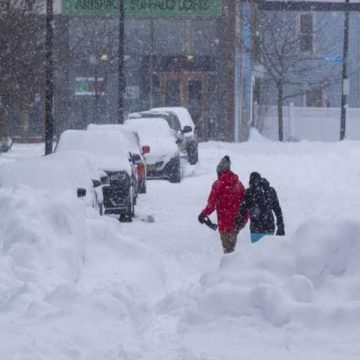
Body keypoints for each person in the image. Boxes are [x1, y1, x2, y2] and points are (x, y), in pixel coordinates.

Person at [198, 155, 246, 254]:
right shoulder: (239, 184)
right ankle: (234, 265)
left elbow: (211, 205)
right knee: (231, 247)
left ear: (219, 171)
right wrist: (242, 220)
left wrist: (203, 214)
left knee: (228, 251)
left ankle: (230, 268)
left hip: (225, 224)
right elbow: (246, 203)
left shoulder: (218, 185)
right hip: (237, 222)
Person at [236, 171, 284, 243]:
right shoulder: (270, 190)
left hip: (256, 228)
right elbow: (277, 210)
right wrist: (280, 226)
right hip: (269, 226)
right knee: (269, 252)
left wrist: (236, 225)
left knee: (258, 252)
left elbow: (242, 211)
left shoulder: (249, 192)